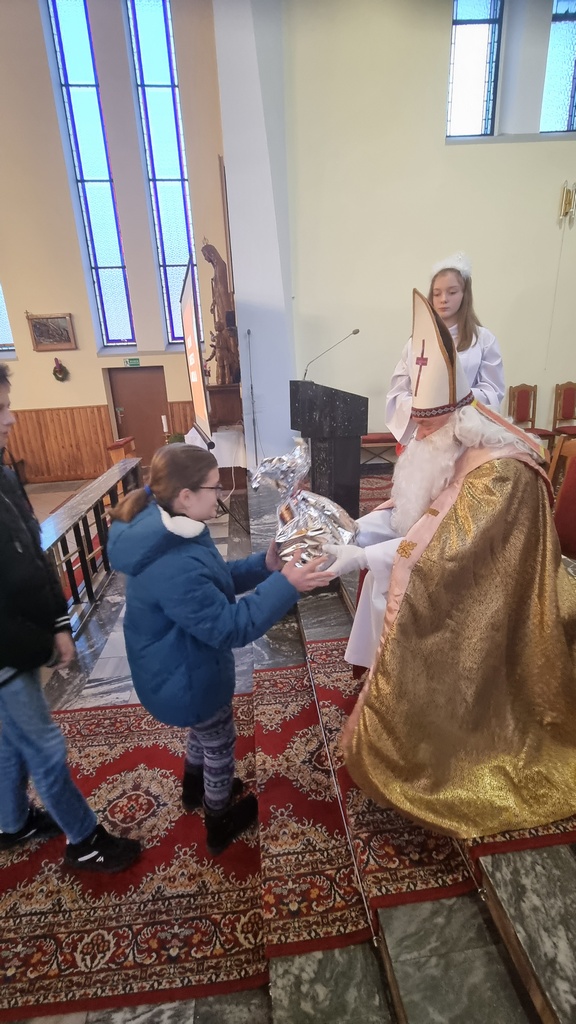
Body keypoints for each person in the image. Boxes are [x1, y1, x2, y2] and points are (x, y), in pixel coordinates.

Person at [328, 294, 576, 839]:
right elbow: (415, 514)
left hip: (497, 595)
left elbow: (441, 555)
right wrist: (355, 530)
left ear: (454, 419)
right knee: (378, 584)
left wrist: (360, 555)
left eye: (425, 428)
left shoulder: (496, 472)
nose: (416, 439)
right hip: (465, 570)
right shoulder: (446, 444)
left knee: (393, 592)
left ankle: (418, 736)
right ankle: (386, 704)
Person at [107, 443, 334, 856]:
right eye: (215, 487)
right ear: (186, 495)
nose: (222, 495)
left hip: (177, 665)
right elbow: (231, 627)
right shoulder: (172, 562)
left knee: (205, 731)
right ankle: (218, 818)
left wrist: (264, 567)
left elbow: (216, 578)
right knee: (219, 741)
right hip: (185, 679)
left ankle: (194, 787)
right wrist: (286, 584)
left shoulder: (173, 531)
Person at [0, 364, 141, 872]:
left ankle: (11, 822)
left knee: (8, 739)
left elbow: (32, 557)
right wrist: (42, 644)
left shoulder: (4, 474)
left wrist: (59, 622)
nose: (11, 418)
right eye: (0, 409)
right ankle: (85, 840)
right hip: (8, 648)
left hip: (23, 633)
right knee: (43, 746)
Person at [385, 252, 505, 445]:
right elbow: (398, 393)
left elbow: (493, 391)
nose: (443, 299)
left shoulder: (483, 340)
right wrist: (424, 413)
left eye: (452, 292)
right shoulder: (416, 343)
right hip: (425, 435)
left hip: (466, 434)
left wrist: (452, 408)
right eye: (437, 293)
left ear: (465, 295)